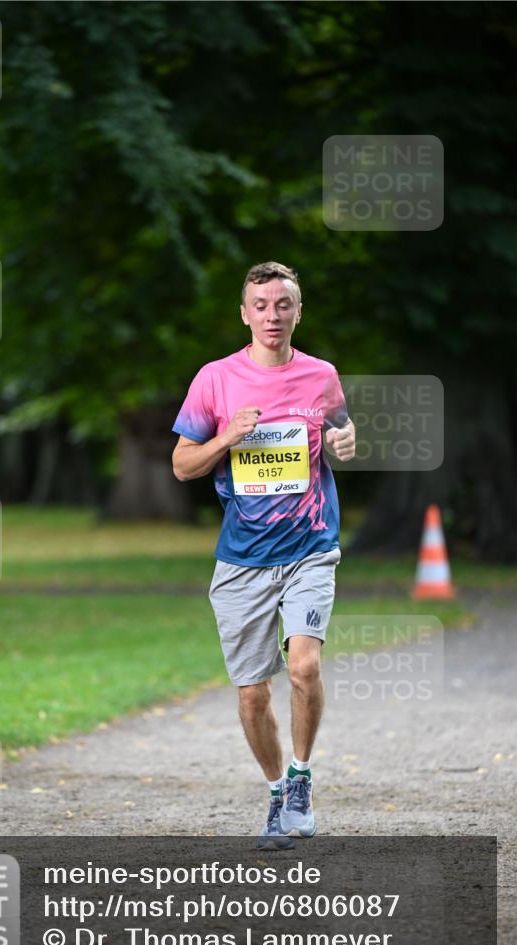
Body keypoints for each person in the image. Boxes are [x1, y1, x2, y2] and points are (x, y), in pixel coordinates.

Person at [171, 261, 355, 848]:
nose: (272, 316)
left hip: (310, 547)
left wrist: (345, 442)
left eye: (283, 305)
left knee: (303, 666)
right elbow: (181, 465)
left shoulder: (322, 376)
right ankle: (277, 790)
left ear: (298, 311)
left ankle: (301, 778)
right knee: (253, 693)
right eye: (261, 305)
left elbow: (339, 437)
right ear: (244, 313)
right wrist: (226, 438)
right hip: (243, 558)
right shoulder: (216, 380)